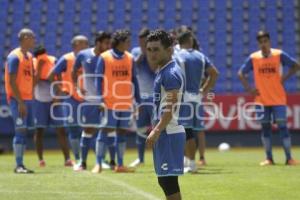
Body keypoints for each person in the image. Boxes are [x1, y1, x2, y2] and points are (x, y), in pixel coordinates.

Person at [238, 30, 300, 166]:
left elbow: (296, 66)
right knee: (265, 129)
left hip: (278, 99)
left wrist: (283, 78)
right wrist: (249, 89)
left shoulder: (279, 55)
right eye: (261, 42)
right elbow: (241, 73)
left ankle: (289, 158)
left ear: (269, 41)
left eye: (265, 41)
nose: (263, 44)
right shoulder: (254, 58)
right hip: (261, 100)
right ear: (258, 44)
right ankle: (269, 158)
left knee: (283, 127)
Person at [93, 29, 141, 173]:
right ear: (120, 42)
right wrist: (100, 99)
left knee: (122, 133)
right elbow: (98, 81)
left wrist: (138, 101)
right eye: (127, 41)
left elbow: (134, 80)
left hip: (125, 103)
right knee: (105, 131)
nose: (129, 44)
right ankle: (98, 163)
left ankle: (120, 164)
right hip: (109, 102)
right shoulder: (104, 57)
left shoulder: (130, 58)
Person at [146, 29, 185, 200]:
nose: (152, 54)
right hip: (165, 132)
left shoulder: (170, 73)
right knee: (165, 181)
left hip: (169, 132)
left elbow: (170, 107)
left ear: (169, 50)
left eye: (156, 49)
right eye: (149, 49)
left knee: (168, 182)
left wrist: (157, 130)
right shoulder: (163, 71)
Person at [176, 30, 219, 172]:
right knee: (193, 131)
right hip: (197, 97)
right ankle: (189, 162)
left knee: (185, 131)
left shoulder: (177, 55)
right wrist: (205, 90)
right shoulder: (201, 56)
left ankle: (191, 164)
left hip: (183, 97)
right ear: (190, 40)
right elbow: (214, 73)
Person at [71, 31, 112, 171]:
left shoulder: (109, 57)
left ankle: (103, 161)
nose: (108, 46)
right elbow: (74, 70)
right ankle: (82, 162)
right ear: (98, 43)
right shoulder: (83, 54)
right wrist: (77, 87)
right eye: (106, 43)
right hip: (90, 100)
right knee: (88, 130)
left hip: (107, 101)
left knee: (106, 130)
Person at [49, 35, 89, 164]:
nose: (86, 45)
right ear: (76, 44)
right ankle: (77, 158)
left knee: (90, 128)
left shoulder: (88, 58)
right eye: (84, 43)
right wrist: (60, 89)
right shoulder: (66, 59)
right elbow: (51, 74)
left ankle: (91, 158)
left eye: (87, 43)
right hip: (70, 98)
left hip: (87, 98)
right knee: (73, 128)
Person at [32, 45, 72, 167]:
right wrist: (39, 67)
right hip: (40, 100)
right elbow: (33, 83)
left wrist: (57, 98)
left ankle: (67, 159)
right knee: (39, 130)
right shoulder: (33, 63)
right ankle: (40, 160)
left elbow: (59, 81)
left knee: (61, 130)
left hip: (55, 101)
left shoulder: (54, 60)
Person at [4, 28, 35, 173]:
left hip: (27, 98)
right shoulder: (14, 57)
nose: (34, 40)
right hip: (18, 100)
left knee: (24, 131)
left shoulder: (29, 56)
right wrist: (20, 101)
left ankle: (21, 164)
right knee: (20, 130)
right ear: (25, 38)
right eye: (32, 38)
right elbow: (11, 81)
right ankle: (18, 165)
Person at [129, 28, 156, 167]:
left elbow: (153, 70)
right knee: (140, 129)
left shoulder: (155, 52)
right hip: (140, 98)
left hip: (154, 97)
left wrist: (148, 54)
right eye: (140, 41)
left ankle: (159, 157)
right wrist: (142, 54)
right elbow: (133, 67)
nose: (141, 44)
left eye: (144, 42)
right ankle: (140, 158)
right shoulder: (134, 51)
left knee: (157, 128)